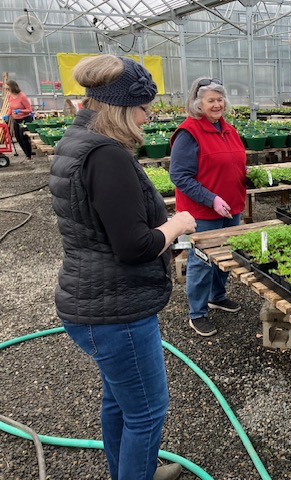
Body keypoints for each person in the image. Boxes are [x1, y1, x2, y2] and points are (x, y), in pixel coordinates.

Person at [49, 54, 195, 480]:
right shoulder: (106, 155)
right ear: (121, 107)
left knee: (120, 402)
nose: (148, 117)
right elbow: (134, 246)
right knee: (147, 412)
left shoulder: (75, 141)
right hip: (116, 309)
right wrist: (177, 224)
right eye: (145, 108)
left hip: (91, 299)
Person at [169, 77, 246, 337]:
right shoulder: (188, 133)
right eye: (211, 100)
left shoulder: (229, 130)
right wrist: (211, 198)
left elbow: (234, 164)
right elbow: (179, 176)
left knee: (225, 256)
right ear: (197, 103)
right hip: (202, 212)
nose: (217, 104)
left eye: (220, 99)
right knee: (201, 261)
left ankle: (217, 296)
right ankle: (197, 313)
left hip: (231, 207)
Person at [3, 80, 34, 162]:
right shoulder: (10, 96)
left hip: (25, 119)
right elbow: (11, 108)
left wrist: (20, 110)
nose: (7, 91)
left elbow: (29, 110)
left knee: (23, 137)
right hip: (16, 119)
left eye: (8, 89)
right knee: (18, 137)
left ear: (13, 87)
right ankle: (27, 154)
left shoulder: (22, 96)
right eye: (6, 89)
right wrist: (7, 114)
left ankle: (29, 156)